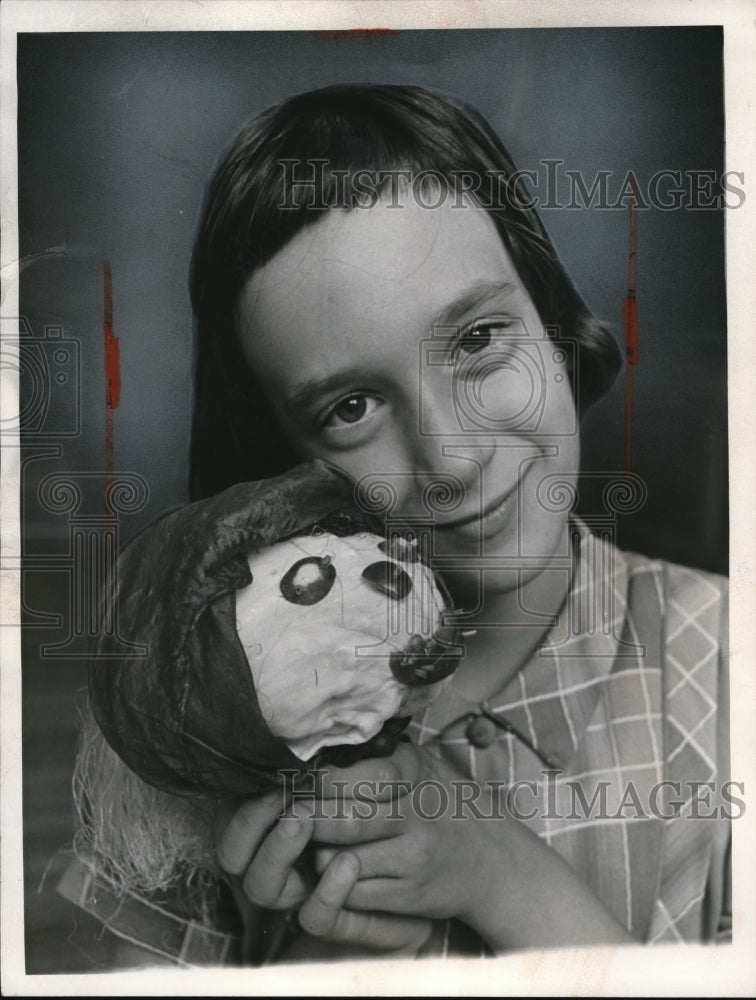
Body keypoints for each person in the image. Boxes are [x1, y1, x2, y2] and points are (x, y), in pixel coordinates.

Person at [62, 83, 730, 964]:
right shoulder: (187, 711)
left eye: (479, 339)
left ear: (554, 322)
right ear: (279, 469)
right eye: (351, 406)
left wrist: (500, 873)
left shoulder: (728, 670)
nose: (451, 459)